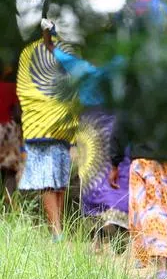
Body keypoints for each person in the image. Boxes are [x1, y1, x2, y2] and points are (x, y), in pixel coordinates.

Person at [54, 46, 130, 244]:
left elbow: (54, 52)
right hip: (114, 120)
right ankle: (117, 217)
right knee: (118, 167)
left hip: (90, 124)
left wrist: (48, 33)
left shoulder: (79, 68)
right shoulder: (118, 63)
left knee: (91, 172)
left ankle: (97, 225)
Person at [16, 23, 77, 236]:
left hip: (46, 128)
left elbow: (24, 88)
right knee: (50, 181)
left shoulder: (28, 53)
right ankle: (57, 232)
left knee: (56, 182)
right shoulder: (64, 52)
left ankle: (57, 231)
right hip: (53, 128)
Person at [0, 61, 25, 205]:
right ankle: (7, 203)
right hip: (7, 131)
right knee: (10, 170)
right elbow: (17, 113)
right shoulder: (12, 88)